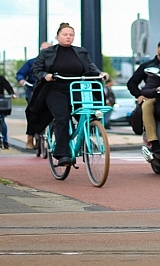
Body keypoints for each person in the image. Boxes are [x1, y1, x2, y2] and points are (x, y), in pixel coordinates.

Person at [25, 23, 108, 167]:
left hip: (77, 88)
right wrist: (46, 75)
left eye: (71, 35)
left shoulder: (81, 52)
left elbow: (90, 67)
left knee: (89, 113)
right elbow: (36, 69)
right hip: (54, 89)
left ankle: (84, 138)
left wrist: (100, 73)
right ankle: (62, 154)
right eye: (65, 34)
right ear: (57, 36)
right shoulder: (47, 52)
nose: (68, 37)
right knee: (62, 118)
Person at [126, 38, 160, 151]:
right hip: (154, 95)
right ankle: (153, 140)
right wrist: (139, 95)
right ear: (158, 49)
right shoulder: (148, 65)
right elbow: (131, 83)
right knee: (147, 105)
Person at [17, 41, 52, 148]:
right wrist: (21, 80)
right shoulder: (32, 62)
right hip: (34, 89)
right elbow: (20, 73)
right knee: (33, 112)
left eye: (48, 49)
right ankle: (30, 137)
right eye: (44, 49)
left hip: (50, 90)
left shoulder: (55, 62)